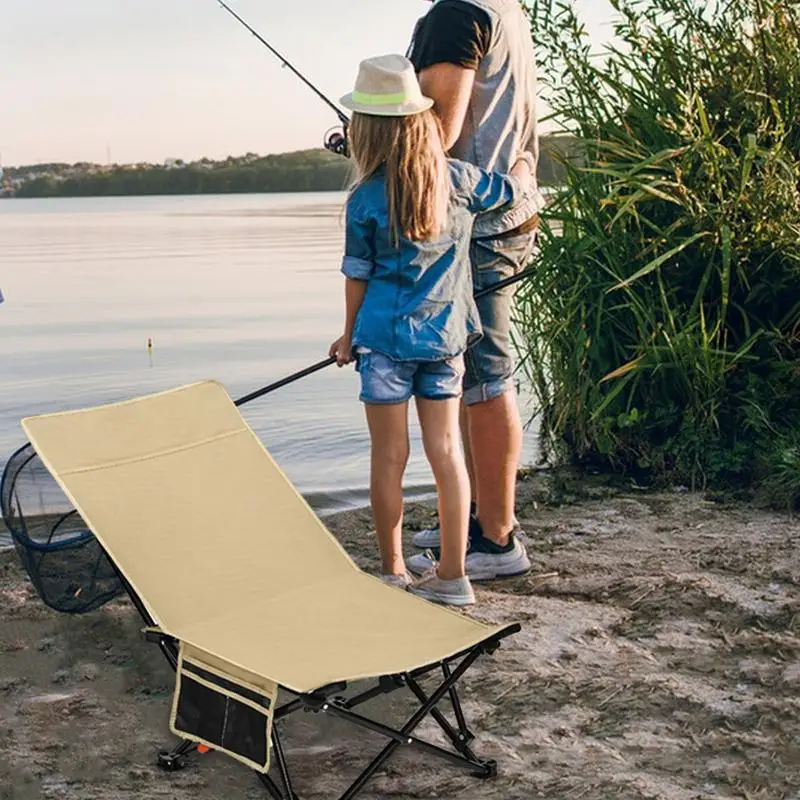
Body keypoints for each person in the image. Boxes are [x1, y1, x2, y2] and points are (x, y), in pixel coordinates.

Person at [329, 53, 533, 606]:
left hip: (384, 346)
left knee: (388, 459)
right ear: (420, 120)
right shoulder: (461, 180)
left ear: (363, 131)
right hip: (446, 345)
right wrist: (521, 173)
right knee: (446, 453)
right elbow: (513, 194)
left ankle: (394, 569)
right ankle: (453, 576)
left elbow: (357, 275)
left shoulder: (364, 198)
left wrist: (347, 337)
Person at [404, 0, 546, 581]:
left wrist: (377, 147)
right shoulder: (502, 7)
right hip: (508, 209)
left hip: (479, 224)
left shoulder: (457, 15)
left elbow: (439, 133)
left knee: (485, 375)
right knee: (470, 374)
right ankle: (475, 512)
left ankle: (497, 537)